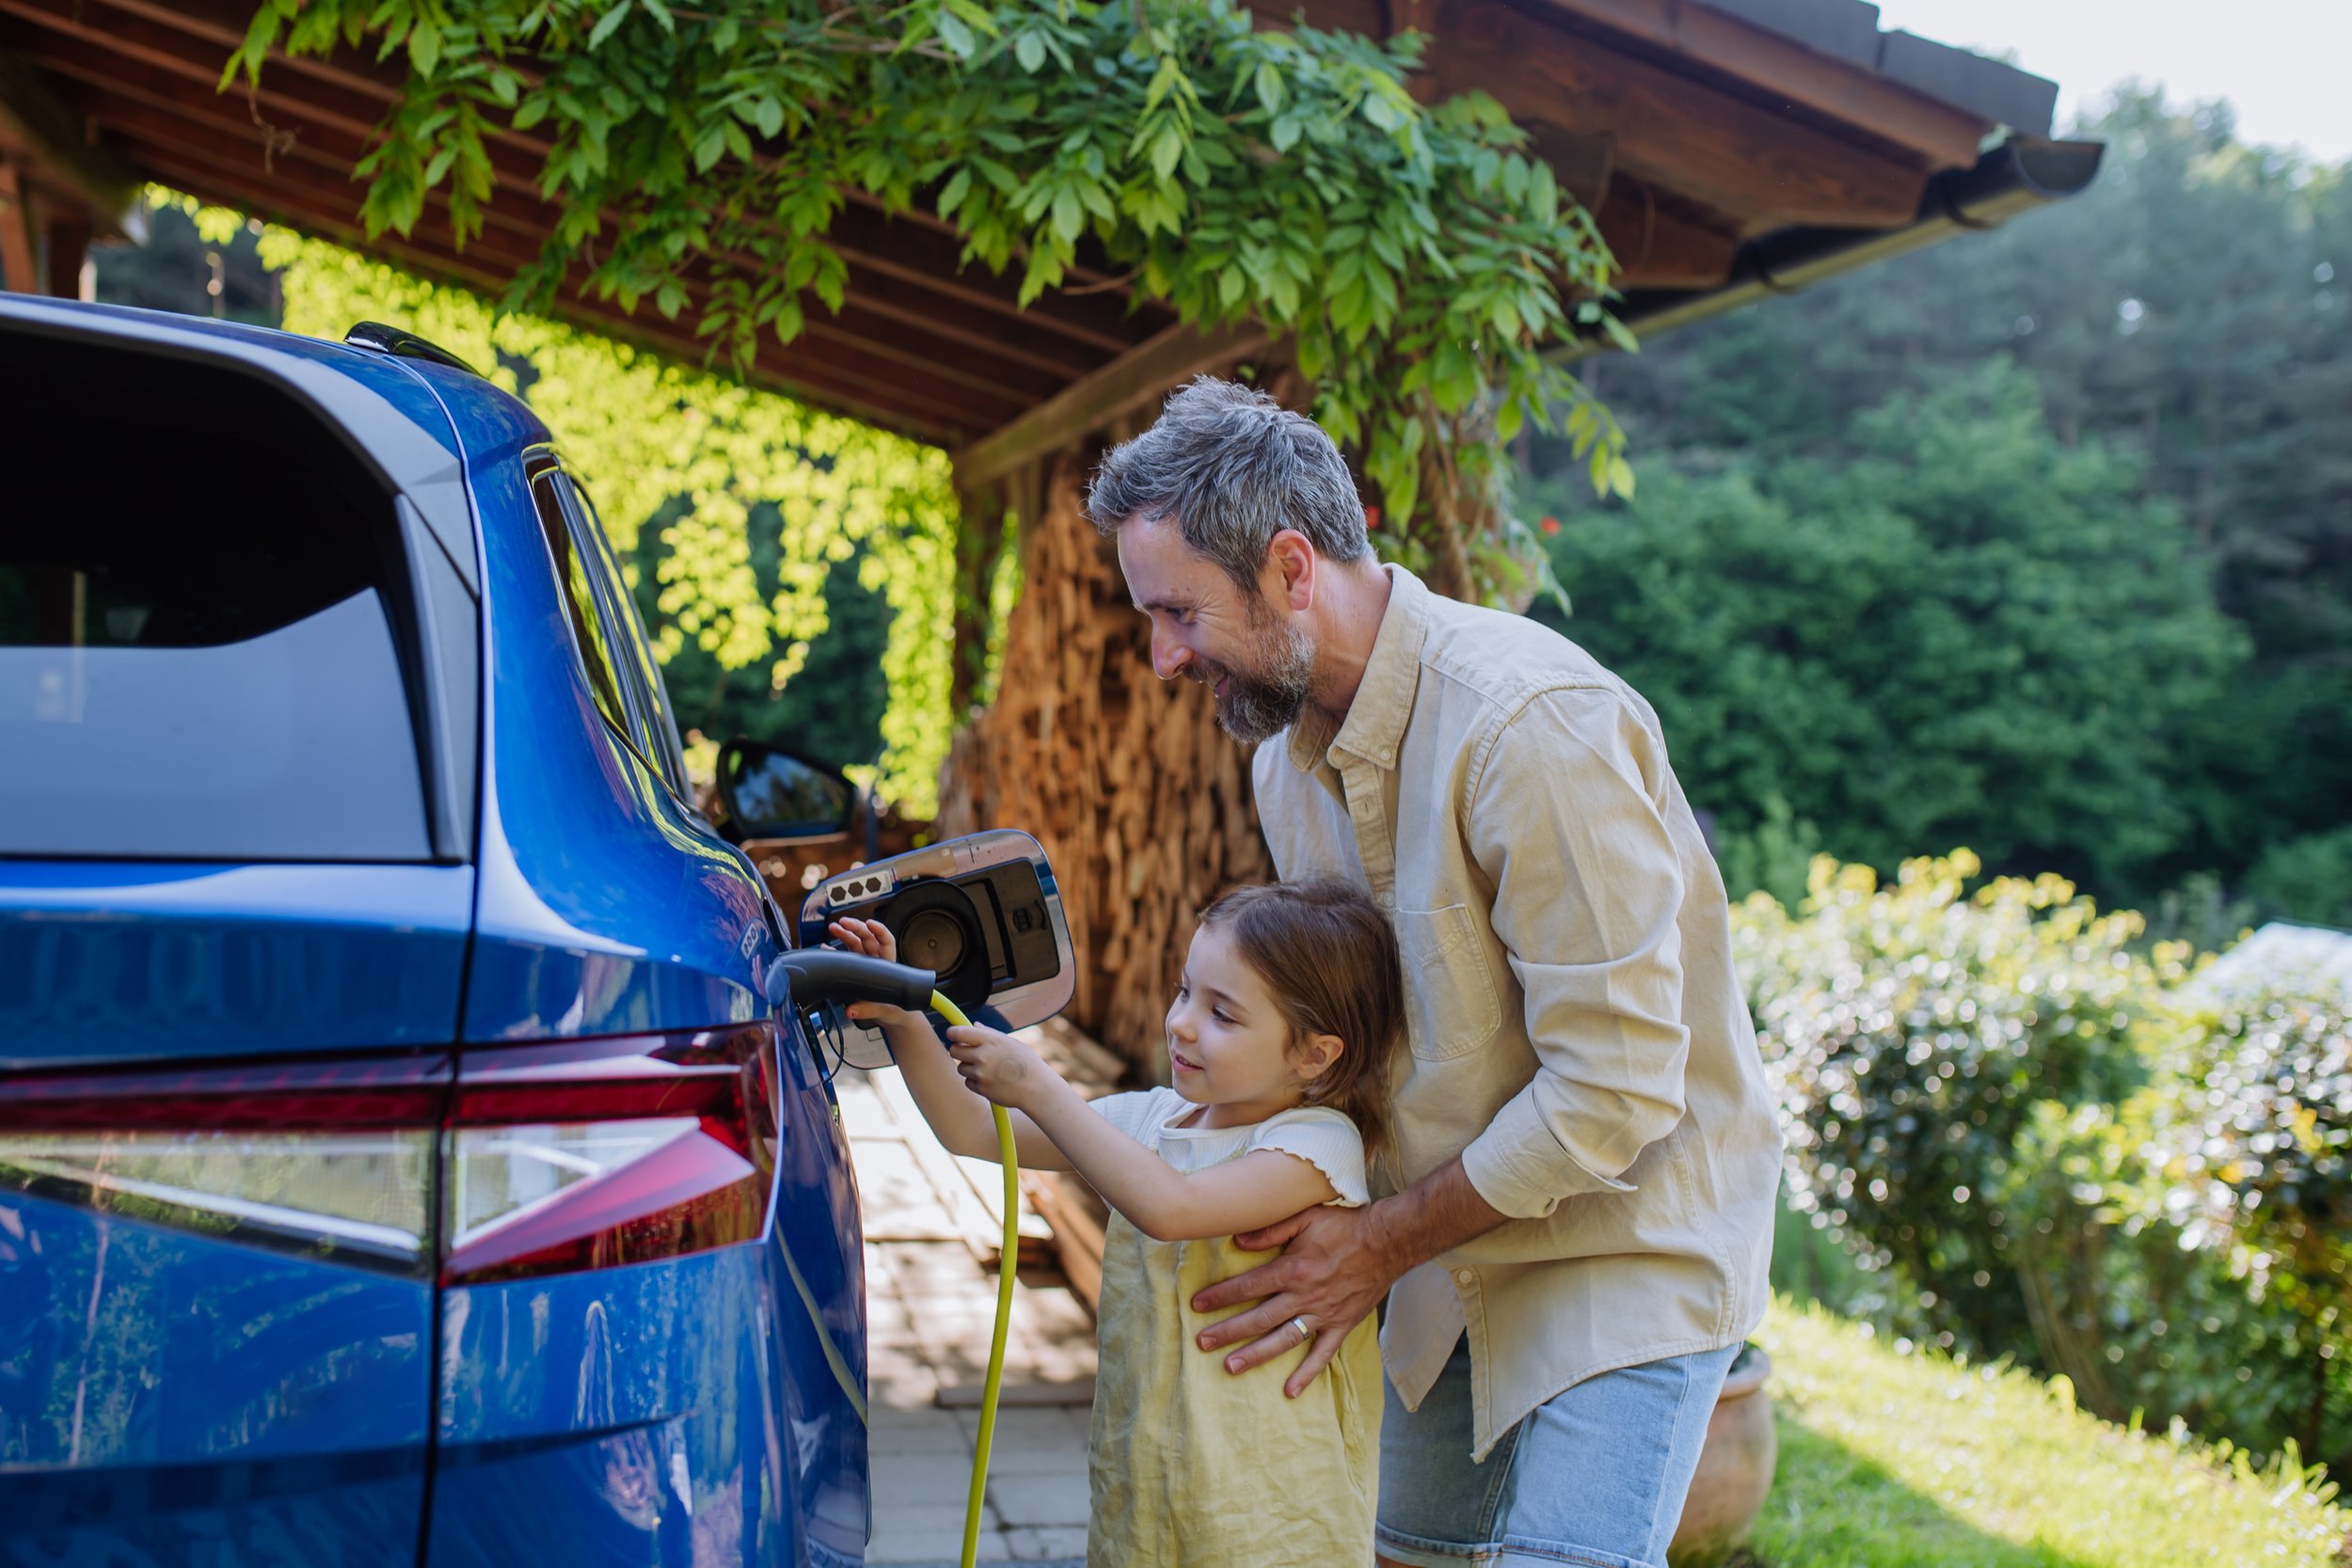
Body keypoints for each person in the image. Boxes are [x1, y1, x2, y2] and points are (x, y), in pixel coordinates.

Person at [1085, 376, 1784, 1568]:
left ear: (1291, 568)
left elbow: (1612, 1090)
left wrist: (1381, 1239)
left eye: (1182, 614)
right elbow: (1336, 1033)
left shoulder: (1532, 725)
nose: (1160, 657)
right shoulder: (1284, 760)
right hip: (1443, 1249)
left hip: (1622, 1242)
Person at [832, 879, 1405, 1568]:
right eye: (1184, 990)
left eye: (1223, 1013)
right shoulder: (1151, 1120)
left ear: (1313, 1053)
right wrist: (905, 1021)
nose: (1183, 1022)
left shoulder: (1315, 1144)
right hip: (1151, 1482)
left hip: (1266, 1500)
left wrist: (1042, 1086)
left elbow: (1173, 1209)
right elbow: (973, 1128)